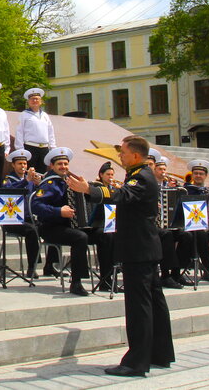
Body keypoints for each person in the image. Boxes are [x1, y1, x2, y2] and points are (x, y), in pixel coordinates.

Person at [69, 135, 175, 377]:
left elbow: (121, 196)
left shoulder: (142, 176)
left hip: (138, 250)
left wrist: (89, 189)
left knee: (139, 307)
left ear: (136, 155)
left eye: (124, 153)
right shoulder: (140, 174)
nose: (120, 156)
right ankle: (160, 353)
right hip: (144, 248)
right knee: (154, 303)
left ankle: (135, 362)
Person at [30, 147, 93, 296]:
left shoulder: (68, 182)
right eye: (60, 164)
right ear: (52, 166)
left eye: (66, 164)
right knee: (80, 238)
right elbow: (35, 205)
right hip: (49, 227)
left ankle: (106, 279)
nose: (64, 167)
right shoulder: (50, 183)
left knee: (104, 235)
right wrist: (59, 211)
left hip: (67, 226)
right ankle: (76, 282)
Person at [1, 149, 42, 279]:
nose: (23, 166)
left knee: (50, 225)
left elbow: (40, 196)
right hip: (12, 220)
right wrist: (26, 181)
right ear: (13, 165)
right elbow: (9, 191)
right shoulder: (7, 180)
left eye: (25, 164)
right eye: (20, 164)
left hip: (29, 217)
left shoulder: (29, 180)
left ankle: (50, 265)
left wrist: (39, 185)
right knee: (31, 230)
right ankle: (32, 267)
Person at [152, 157, 189, 289]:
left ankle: (176, 273)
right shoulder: (150, 186)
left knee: (186, 235)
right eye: (160, 169)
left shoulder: (169, 187)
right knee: (166, 235)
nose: (163, 172)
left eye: (164, 169)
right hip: (153, 225)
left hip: (168, 225)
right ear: (154, 170)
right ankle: (166, 275)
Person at [87, 162, 118, 292]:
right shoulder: (95, 188)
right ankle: (106, 279)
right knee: (107, 236)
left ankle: (116, 272)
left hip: (110, 225)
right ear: (101, 175)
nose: (110, 177)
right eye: (108, 174)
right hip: (94, 227)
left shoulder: (114, 189)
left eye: (112, 174)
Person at [14, 87, 56, 174]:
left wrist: (52, 147)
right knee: (30, 173)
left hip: (44, 148)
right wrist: (20, 149)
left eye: (37, 99)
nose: (35, 101)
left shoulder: (45, 116)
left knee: (42, 173)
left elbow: (50, 132)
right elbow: (19, 132)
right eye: (32, 99)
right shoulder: (24, 115)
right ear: (28, 102)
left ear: (41, 101)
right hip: (30, 148)